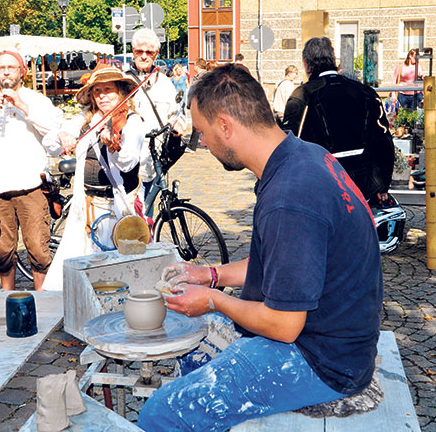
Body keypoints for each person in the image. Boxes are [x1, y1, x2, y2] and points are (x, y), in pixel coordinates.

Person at [137, 64, 382, 430]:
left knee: (160, 413)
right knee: (191, 349)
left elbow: (283, 325)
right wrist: (211, 275)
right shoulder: (303, 156)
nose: (202, 143)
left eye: (202, 133)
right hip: (333, 340)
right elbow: (280, 262)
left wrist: (212, 299)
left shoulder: (290, 195)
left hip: (324, 360)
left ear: (225, 125)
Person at [0, 51, 62, 291]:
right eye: (1, 67)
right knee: (3, 250)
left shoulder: (36, 100)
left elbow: (54, 130)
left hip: (32, 186)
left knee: (38, 248)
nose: (6, 71)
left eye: (11, 67)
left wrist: (23, 107)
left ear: (22, 71)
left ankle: (43, 300)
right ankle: (6, 300)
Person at [42, 65, 145, 290]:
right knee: (84, 266)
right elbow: (48, 144)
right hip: (87, 206)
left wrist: (114, 145)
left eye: (108, 90)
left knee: (119, 269)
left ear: (120, 92)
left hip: (116, 206)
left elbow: (128, 163)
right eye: (97, 91)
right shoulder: (84, 120)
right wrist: (62, 135)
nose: (102, 95)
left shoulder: (132, 121)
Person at [282, 37, 395, 203]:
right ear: (333, 60)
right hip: (364, 185)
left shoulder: (302, 95)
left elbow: (289, 145)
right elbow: (383, 140)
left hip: (321, 183)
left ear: (306, 64)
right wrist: (384, 183)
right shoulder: (365, 92)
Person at [125, 29, 186, 200]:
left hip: (156, 157)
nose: (144, 56)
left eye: (149, 52)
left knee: (148, 209)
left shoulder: (165, 83)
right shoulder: (123, 82)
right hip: (129, 161)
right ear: (133, 51)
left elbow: (176, 112)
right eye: (139, 51)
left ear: (156, 54)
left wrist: (178, 123)